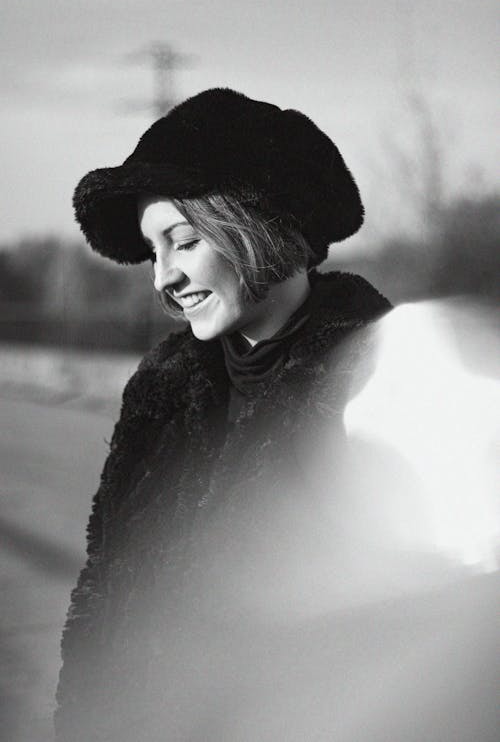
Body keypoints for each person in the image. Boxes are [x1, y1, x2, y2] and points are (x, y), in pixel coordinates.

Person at [55, 88, 391, 741]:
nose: (163, 279)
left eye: (181, 242)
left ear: (254, 224)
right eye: (154, 251)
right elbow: (104, 599)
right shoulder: (162, 389)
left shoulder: (378, 385)